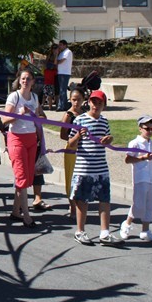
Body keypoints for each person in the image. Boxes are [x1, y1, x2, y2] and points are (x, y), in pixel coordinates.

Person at [67, 90, 122, 246]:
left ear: (103, 105)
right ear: (88, 102)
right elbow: (71, 144)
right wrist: (78, 136)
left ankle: (104, 232)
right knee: (82, 201)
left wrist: (109, 139)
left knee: (104, 200)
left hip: (101, 168)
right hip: (84, 168)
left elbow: (107, 139)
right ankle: (80, 231)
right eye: (94, 102)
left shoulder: (104, 121)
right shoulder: (79, 120)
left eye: (100, 103)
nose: (96, 106)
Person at [1, 69, 45, 228]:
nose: (26, 81)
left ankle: (15, 211)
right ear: (19, 80)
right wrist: (19, 114)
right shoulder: (14, 96)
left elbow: (39, 116)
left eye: (29, 79)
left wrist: (38, 118)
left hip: (31, 138)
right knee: (21, 177)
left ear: (33, 82)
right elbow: (5, 120)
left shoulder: (34, 97)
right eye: (23, 78)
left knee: (27, 177)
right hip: (16, 138)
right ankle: (26, 216)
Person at [119, 115, 152, 242]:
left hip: (151, 178)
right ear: (140, 128)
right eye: (147, 128)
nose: (150, 131)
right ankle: (127, 224)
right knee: (138, 204)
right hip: (140, 177)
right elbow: (127, 159)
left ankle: (145, 230)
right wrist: (142, 158)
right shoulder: (135, 143)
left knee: (150, 204)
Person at [60, 88, 85, 219]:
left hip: (84, 149)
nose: (76, 103)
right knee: (70, 177)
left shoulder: (85, 114)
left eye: (79, 100)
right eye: (74, 100)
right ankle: (72, 204)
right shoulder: (68, 115)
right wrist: (74, 139)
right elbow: (62, 134)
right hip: (71, 149)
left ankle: (80, 203)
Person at [55, 40, 73, 111]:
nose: (59, 46)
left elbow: (61, 61)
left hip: (65, 73)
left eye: (61, 45)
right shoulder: (61, 53)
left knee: (63, 90)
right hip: (60, 73)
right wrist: (56, 54)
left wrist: (57, 61)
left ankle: (62, 106)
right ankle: (64, 105)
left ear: (65, 45)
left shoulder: (68, 52)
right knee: (61, 90)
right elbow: (56, 62)